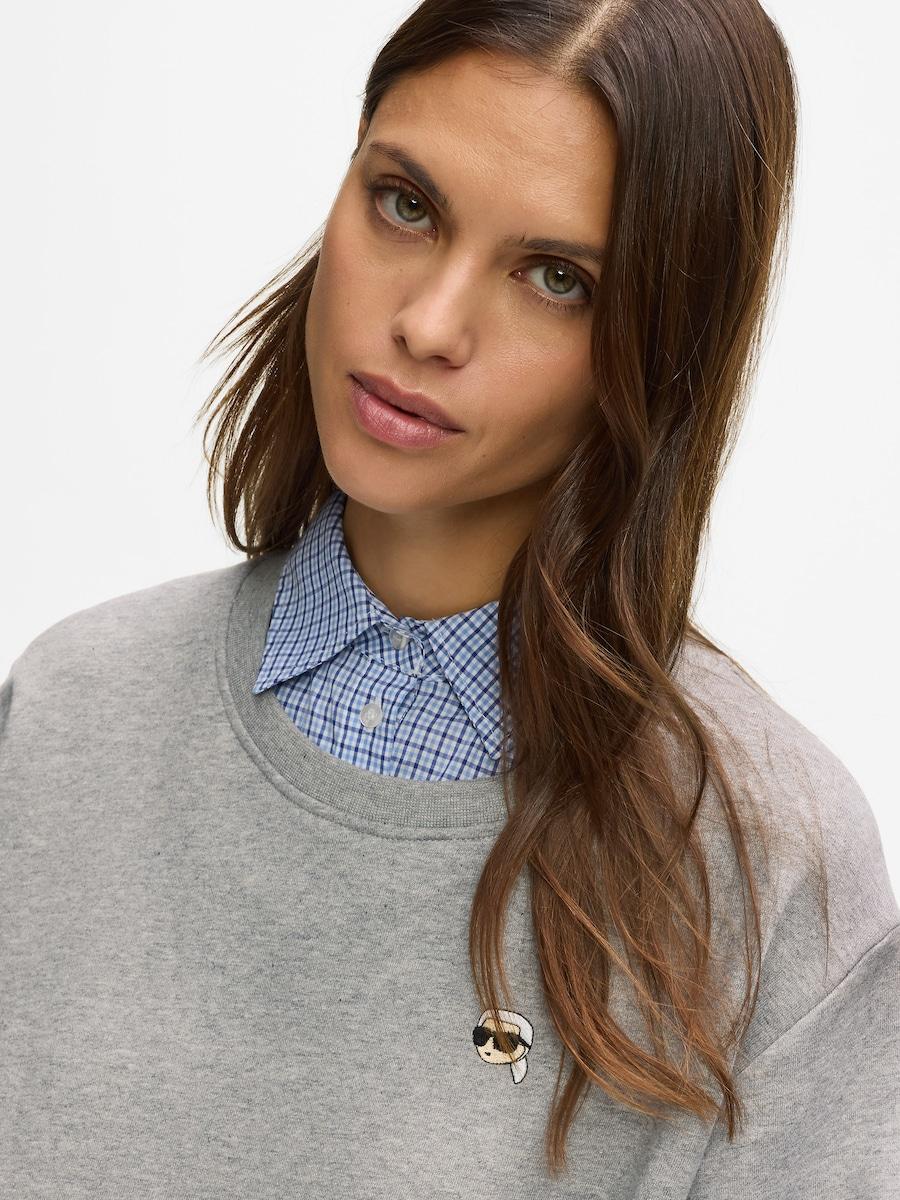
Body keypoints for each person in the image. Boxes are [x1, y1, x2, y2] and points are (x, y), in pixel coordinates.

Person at [1, 0, 897, 1195]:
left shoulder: (767, 865)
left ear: (659, 339)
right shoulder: (65, 714)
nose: (427, 325)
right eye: (406, 203)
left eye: (556, 278)